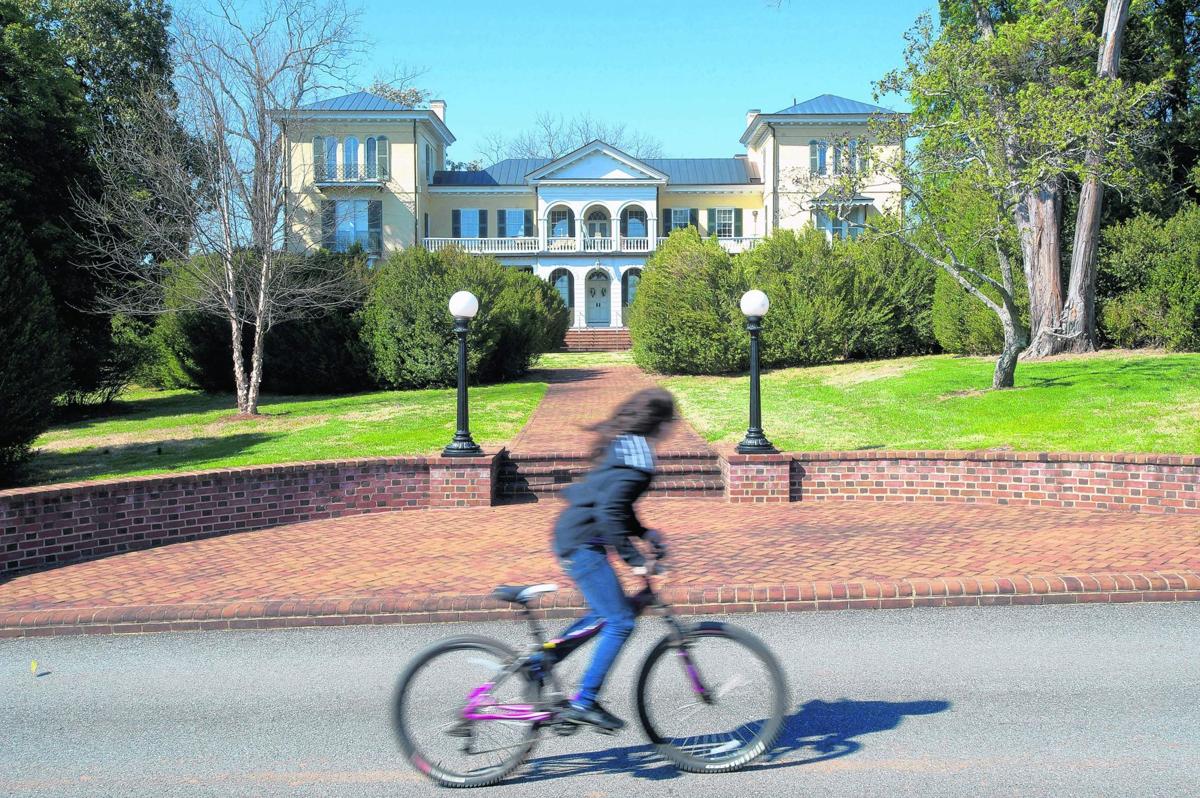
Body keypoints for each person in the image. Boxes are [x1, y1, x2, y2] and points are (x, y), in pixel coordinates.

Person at [533, 387, 674, 733]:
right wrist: (635, 560)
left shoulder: (627, 447)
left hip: (576, 535)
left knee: (604, 614)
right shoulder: (638, 461)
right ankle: (585, 701)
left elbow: (616, 504)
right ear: (661, 424)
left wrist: (644, 533)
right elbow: (610, 510)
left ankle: (540, 664)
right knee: (621, 620)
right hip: (581, 542)